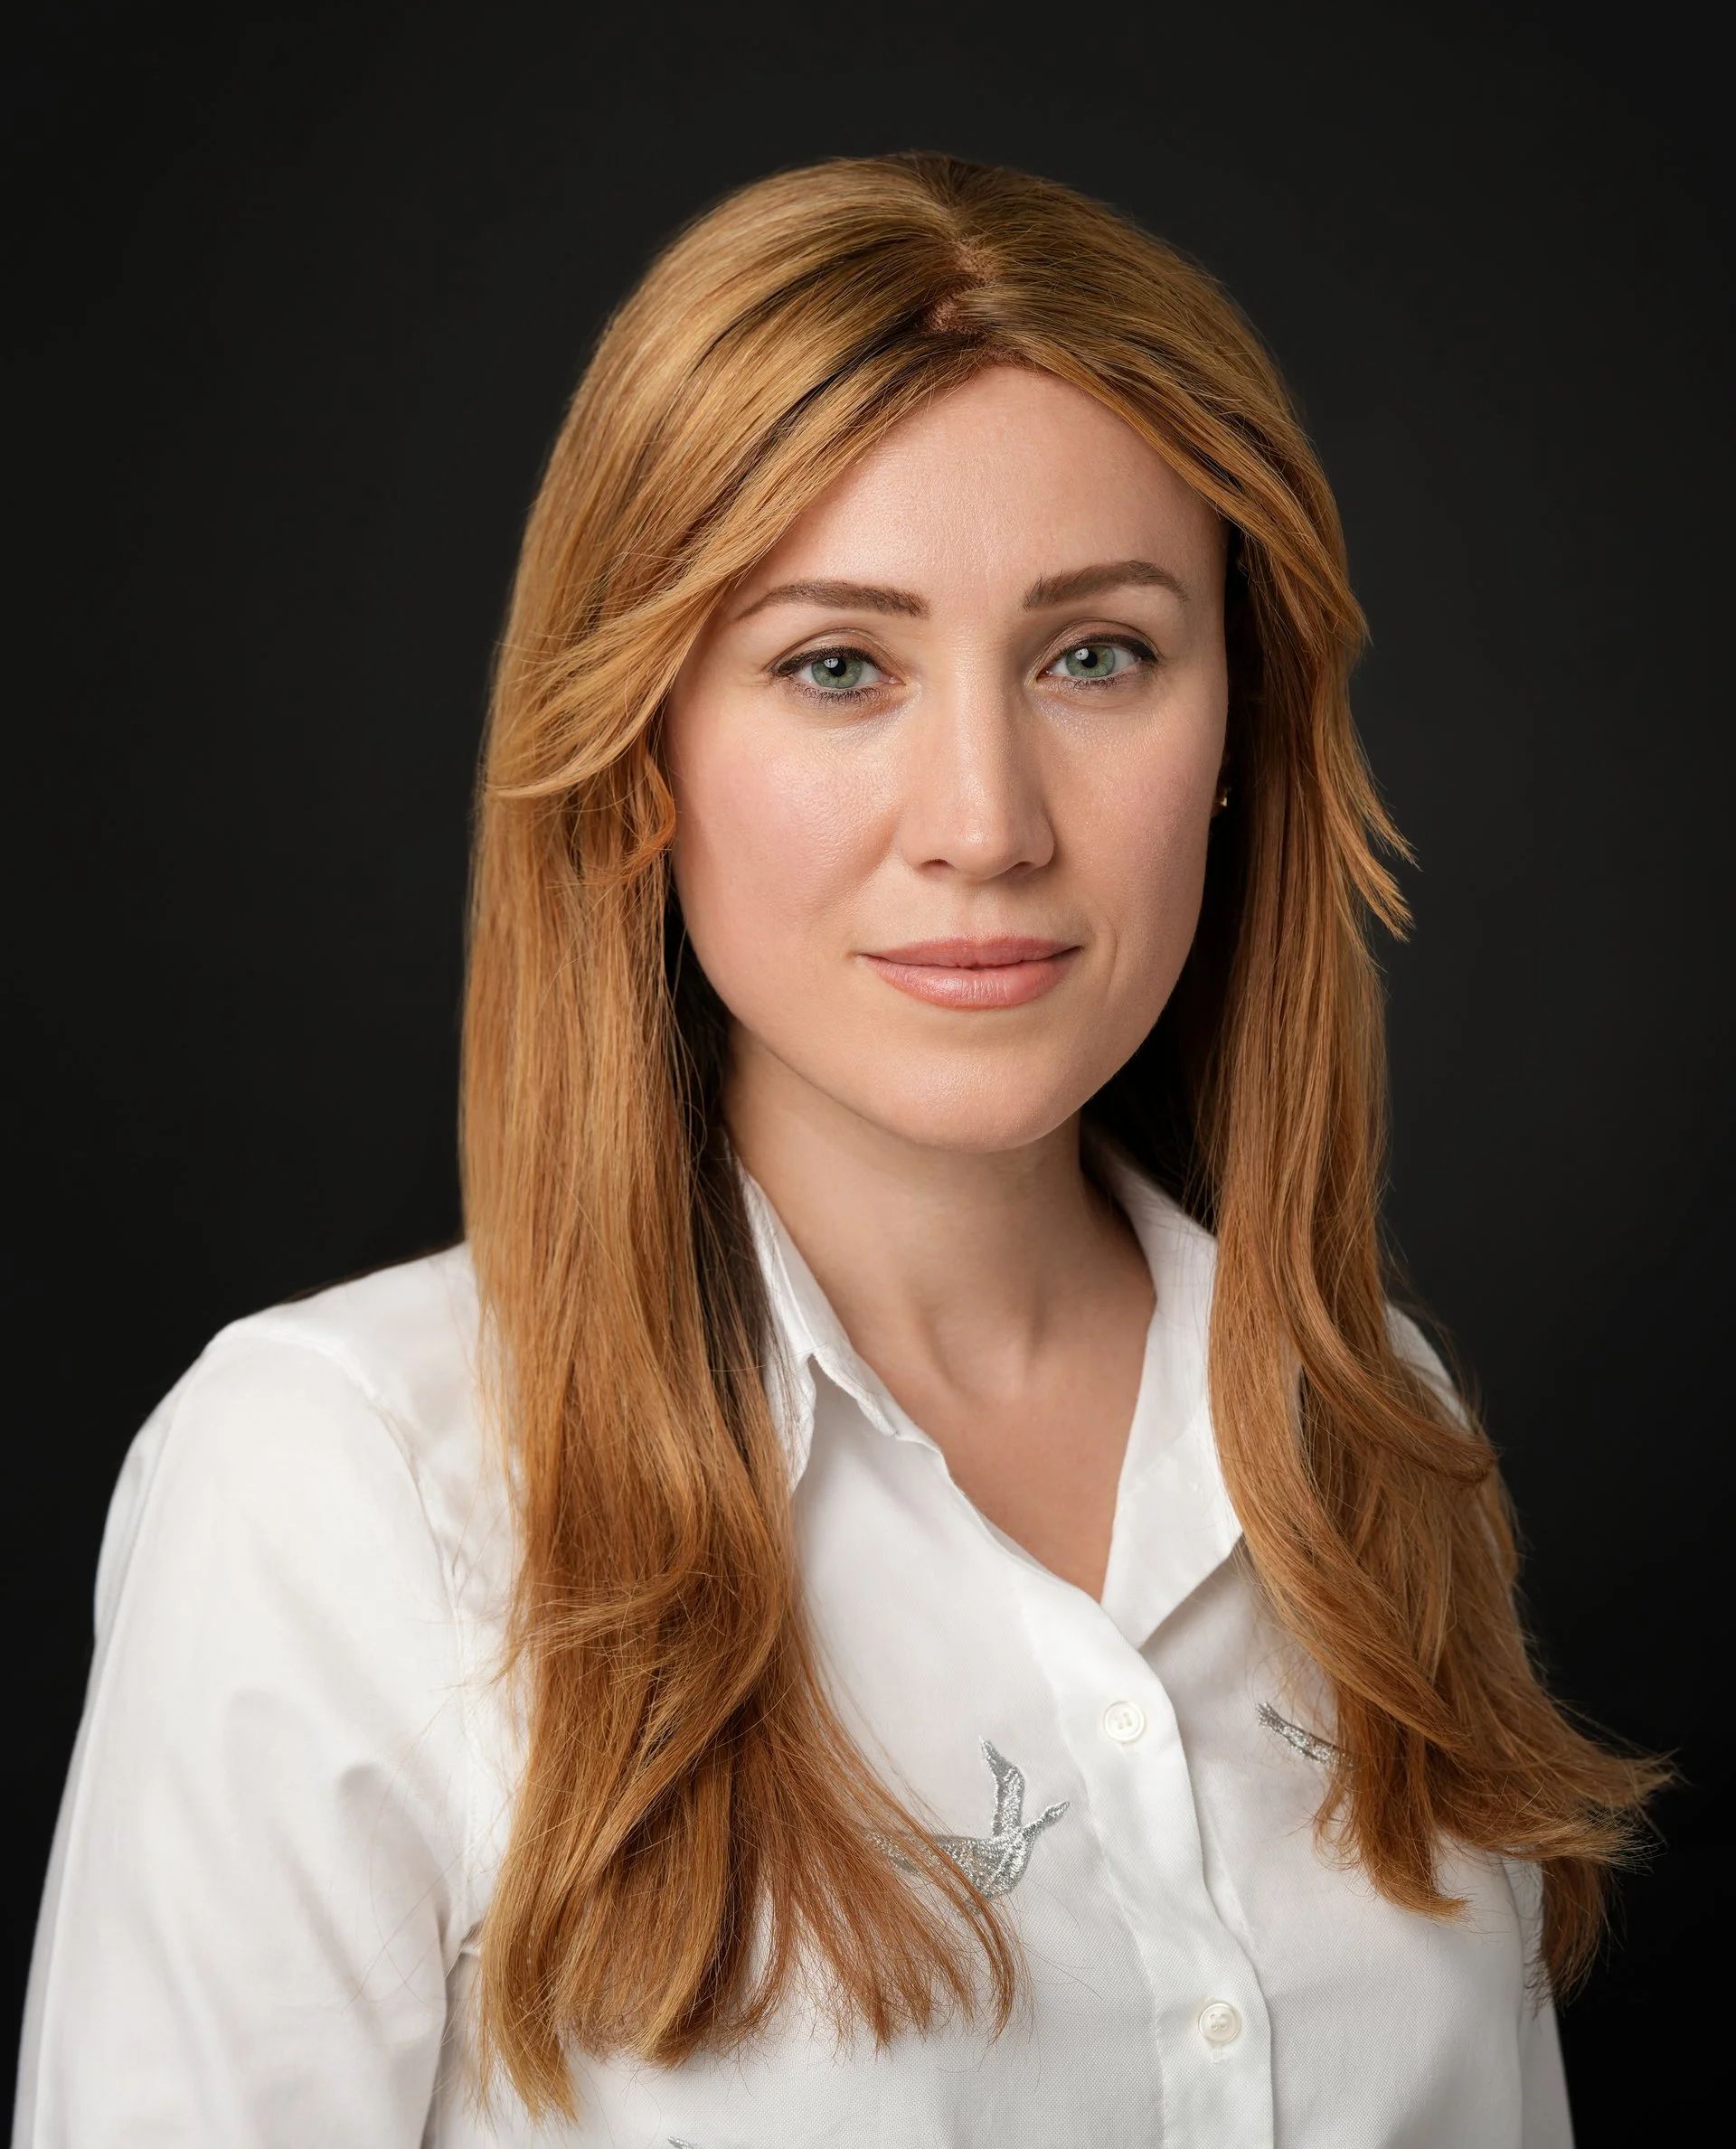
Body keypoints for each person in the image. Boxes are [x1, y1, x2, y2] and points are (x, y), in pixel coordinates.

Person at [14, 151, 1671, 2147]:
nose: (986, 819)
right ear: (641, 754)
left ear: (1242, 733)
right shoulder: (340, 1491)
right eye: (836, 667)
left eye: (1097, 655)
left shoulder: (1368, 1436)